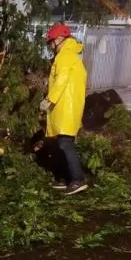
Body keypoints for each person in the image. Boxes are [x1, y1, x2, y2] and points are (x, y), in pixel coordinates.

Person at [41, 23, 88, 194]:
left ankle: (78, 180)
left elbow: (61, 79)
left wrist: (49, 99)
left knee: (65, 143)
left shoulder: (65, 56)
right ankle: (62, 178)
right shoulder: (69, 55)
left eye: (51, 42)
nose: (50, 46)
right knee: (59, 143)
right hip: (65, 106)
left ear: (59, 39)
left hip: (66, 106)